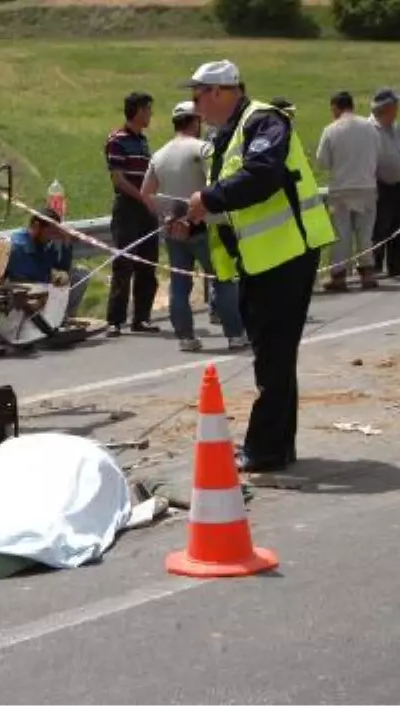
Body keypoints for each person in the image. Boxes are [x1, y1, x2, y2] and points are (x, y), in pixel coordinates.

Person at [177, 59, 335, 473]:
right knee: (273, 355)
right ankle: (277, 445)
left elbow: (261, 176)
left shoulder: (264, 122)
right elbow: (228, 205)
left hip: (287, 256)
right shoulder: (222, 138)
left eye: (197, 97)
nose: (195, 107)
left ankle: (266, 449)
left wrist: (210, 199)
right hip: (259, 260)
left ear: (218, 92)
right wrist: (195, 217)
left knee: (273, 356)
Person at [141, 101, 247, 353]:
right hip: (206, 227)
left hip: (174, 229)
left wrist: (166, 217)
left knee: (179, 283)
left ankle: (186, 337)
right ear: (195, 122)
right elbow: (216, 184)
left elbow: (146, 193)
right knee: (223, 280)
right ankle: (234, 334)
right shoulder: (202, 149)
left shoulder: (159, 155)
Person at [104, 91, 161, 337]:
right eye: (148, 109)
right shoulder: (117, 140)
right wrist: (142, 197)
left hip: (146, 209)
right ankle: (115, 320)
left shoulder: (143, 141)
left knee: (148, 262)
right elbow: (118, 179)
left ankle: (142, 317)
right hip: (128, 207)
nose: (150, 114)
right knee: (124, 263)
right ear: (137, 110)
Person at [317, 91, 381, 291]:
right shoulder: (370, 128)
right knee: (365, 234)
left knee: (341, 235)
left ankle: (339, 277)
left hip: (342, 189)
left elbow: (323, 162)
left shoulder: (331, 130)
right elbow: (379, 153)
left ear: (335, 107)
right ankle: (367, 273)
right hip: (367, 187)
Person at [4, 206, 90, 319]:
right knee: (53, 287)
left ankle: (66, 317)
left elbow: (63, 267)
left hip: (42, 288)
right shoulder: (19, 246)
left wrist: (66, 241)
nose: (52, 236)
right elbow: (28, 277)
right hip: (23, 293)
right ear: (36, 226)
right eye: (51, 231)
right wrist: (50, 285)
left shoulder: (44, 243)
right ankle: (54, 318)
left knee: (80, 273)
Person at [369, 88, 400, 277]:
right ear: (385, 109)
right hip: (381, 186)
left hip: (399, 185)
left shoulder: (396, 127)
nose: (398, 110)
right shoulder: (369, 129)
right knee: (380, 228)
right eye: (395, 106)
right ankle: (375, 266)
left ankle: (396, 265)